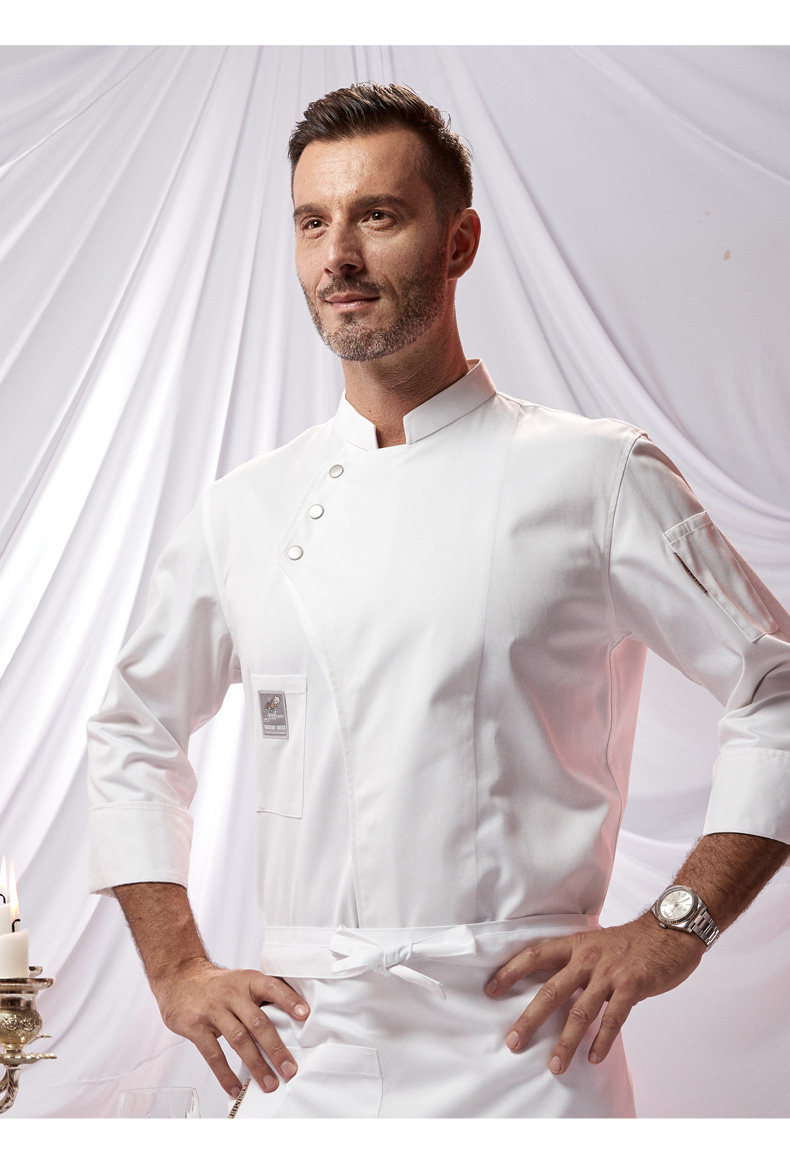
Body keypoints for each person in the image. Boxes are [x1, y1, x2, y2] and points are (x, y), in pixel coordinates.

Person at [87, 83, 790, 1118]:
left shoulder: (595, 475)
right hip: (306, 1055)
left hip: (530, 1054)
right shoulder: (245, 506)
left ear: (459, 242)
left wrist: (676, 927)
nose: (338, 256)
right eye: (312, 222)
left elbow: (774, 687)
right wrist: (175, 966)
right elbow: (132, 729)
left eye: (377, 215)